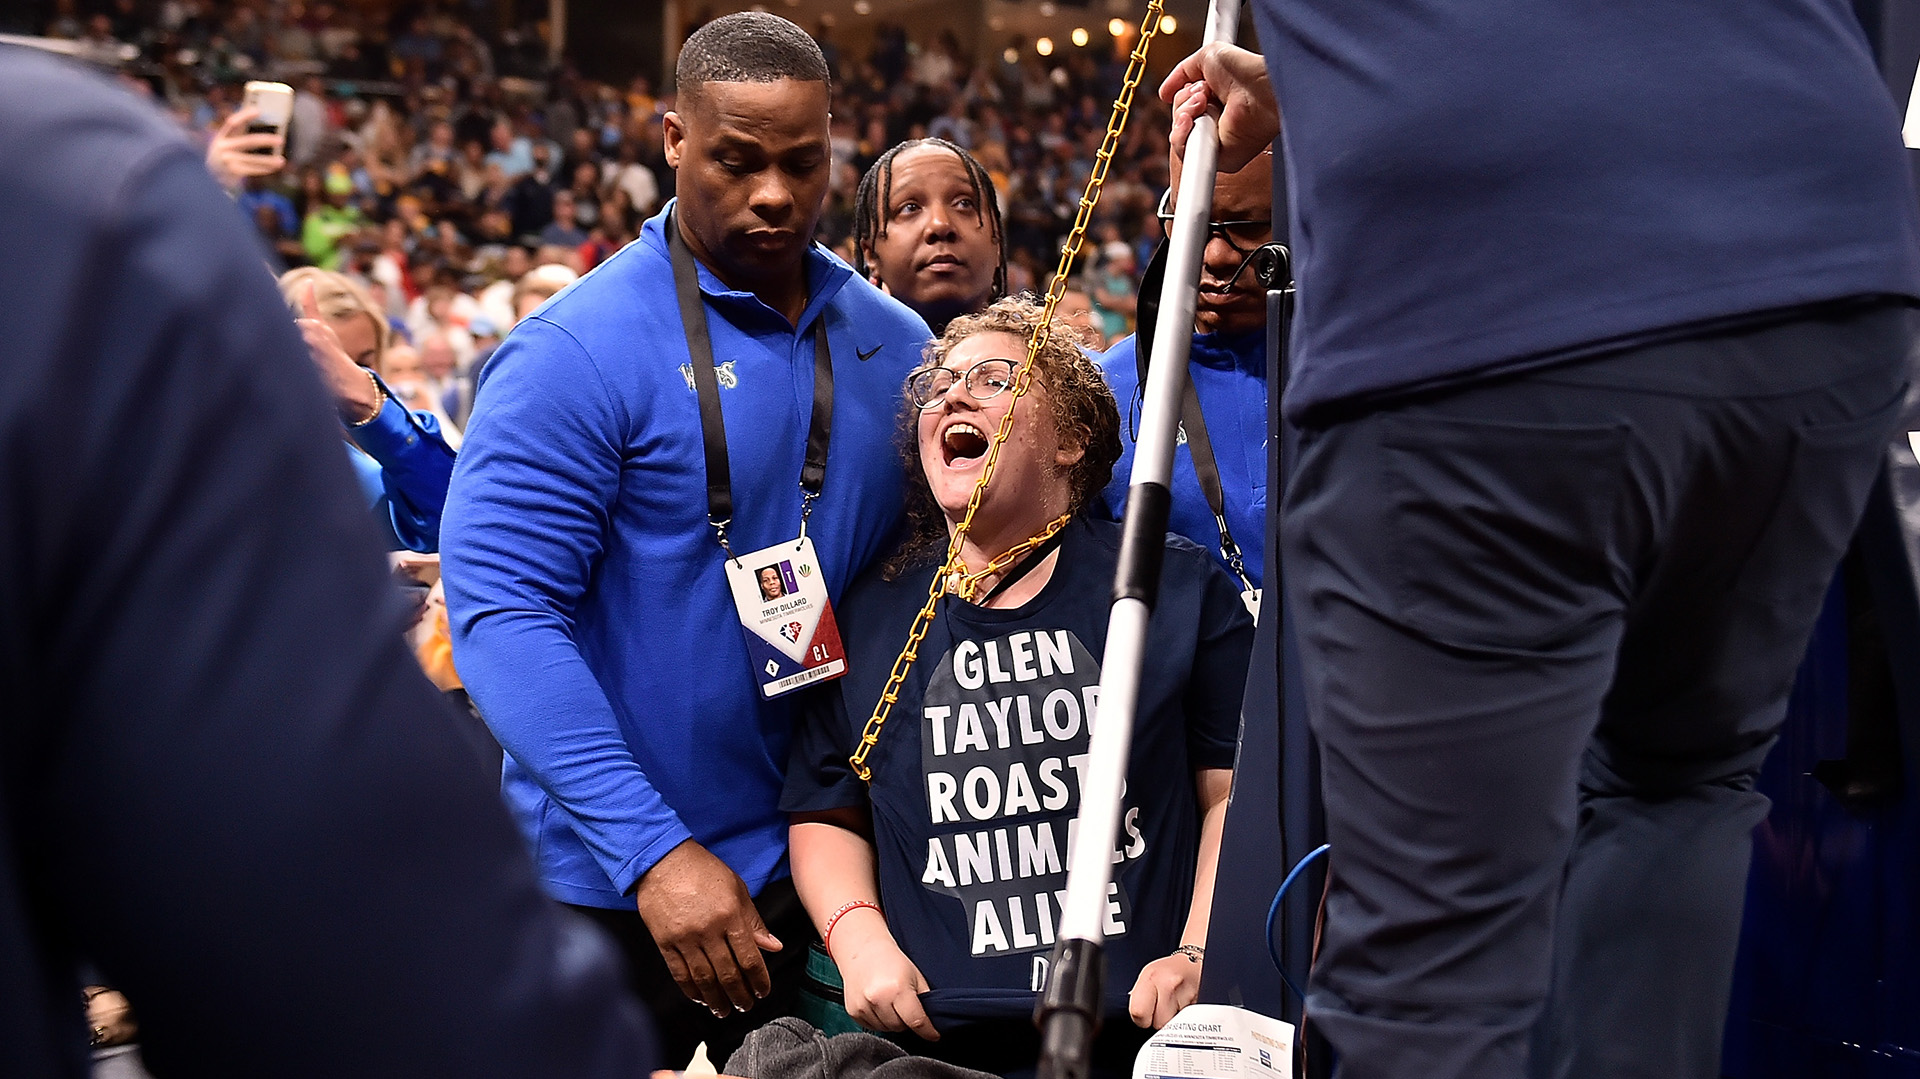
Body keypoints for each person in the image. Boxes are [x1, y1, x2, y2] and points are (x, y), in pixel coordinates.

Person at [1160, 5, 1920, 1075]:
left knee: (1434, 941)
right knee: (1677, 788)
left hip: (1480, 290)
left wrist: (1414, 84)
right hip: (1818, 252)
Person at [0, 44, 655, 1078]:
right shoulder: (74, 191)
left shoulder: (399, 428)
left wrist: (381, 416)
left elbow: (467, 535)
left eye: (363, 351)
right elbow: (346, 950)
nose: (340, 366)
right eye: (315, 347)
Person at [442, 12, 931, 1068]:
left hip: (823, 876)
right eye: (736, 160)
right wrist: (653, 850)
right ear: (672, 138)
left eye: (803, 163)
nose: (772, 193)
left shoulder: (897, 348)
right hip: (613, 889)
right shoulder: (572, 351)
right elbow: (501, 616)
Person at [783, 298, 1254, 1079]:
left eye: (995, 378)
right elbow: (824, 808)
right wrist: (859, 938)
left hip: (1145, 1038)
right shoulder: (868, 612)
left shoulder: (1169, 582)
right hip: (941, 1045)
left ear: (1071, 440)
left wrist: (1200, 948)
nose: (955, 396)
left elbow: (1230, 794)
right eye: (938, 386)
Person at [1100, 149, 1276, 592]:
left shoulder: (1356, 367)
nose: (1216, 255)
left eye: (1248, 227)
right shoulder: (1110, 389)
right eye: (1193, 224)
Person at [277, 267, 457, 552]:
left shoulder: (393, 432)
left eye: (364, 363)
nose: (344, 378)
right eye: (327, 362)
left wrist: (369, 407)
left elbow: (455, 521)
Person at [852, 138, 1006, 334]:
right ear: (871, 254)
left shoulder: (1042, 359)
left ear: (998, 243)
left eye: (964, 203)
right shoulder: (832, 360)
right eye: (910, 208)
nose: (940, 224)